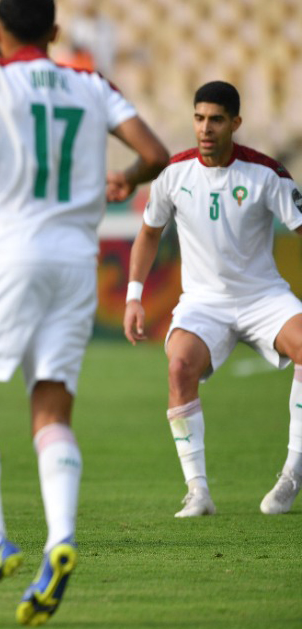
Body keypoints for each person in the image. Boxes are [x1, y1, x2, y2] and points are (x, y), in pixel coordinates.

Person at [0, 0, 169, 624]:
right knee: (51, 409)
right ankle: (62, 540)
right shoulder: (90, 84)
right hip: (77, 264)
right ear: (53, 34)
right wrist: (126, 179)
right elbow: (155, 154)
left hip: (6, 258)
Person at [123, 81, 302, 519]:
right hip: (203, 302)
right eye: (200, 118)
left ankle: (294, 471)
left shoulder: (267, 174)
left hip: (263, 296)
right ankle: (198, 492)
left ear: (235, 124)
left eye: (216, 119)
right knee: (179, 364)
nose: (206, 128)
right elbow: (148, 233)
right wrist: (133, 296)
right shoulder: (174, 175)